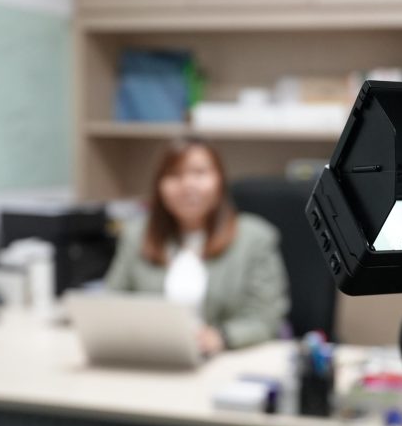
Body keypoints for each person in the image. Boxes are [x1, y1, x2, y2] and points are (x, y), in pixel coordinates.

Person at [104, 137, 289, 355]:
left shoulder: (255, 238)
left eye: (200, 173)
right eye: (174, 175)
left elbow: (265, 319)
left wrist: (221, 337)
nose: (187, 185)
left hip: (228, 358)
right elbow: (112, 304)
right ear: (159, 185)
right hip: (153, 356)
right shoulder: (136, 234)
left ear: (220, 180)